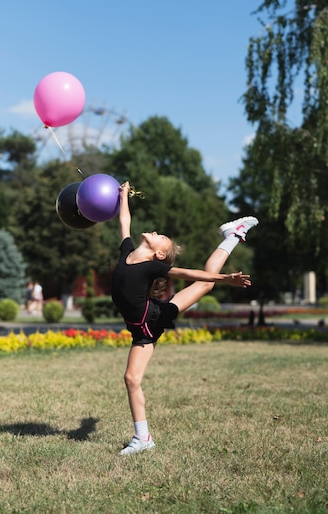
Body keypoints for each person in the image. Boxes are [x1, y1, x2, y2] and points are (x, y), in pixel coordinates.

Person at [111, 181, 258, 456]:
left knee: (132, 378)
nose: (157, 232)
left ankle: (143, 438)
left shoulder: (151, 266)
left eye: (161, 236)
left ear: (160, 254)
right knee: (204, 288)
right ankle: (232, 235)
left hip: (148, 326)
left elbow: (190, 274)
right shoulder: (127, 251)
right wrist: (122, 197)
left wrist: (224, 279)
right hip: (150, 314)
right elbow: (124, 221)